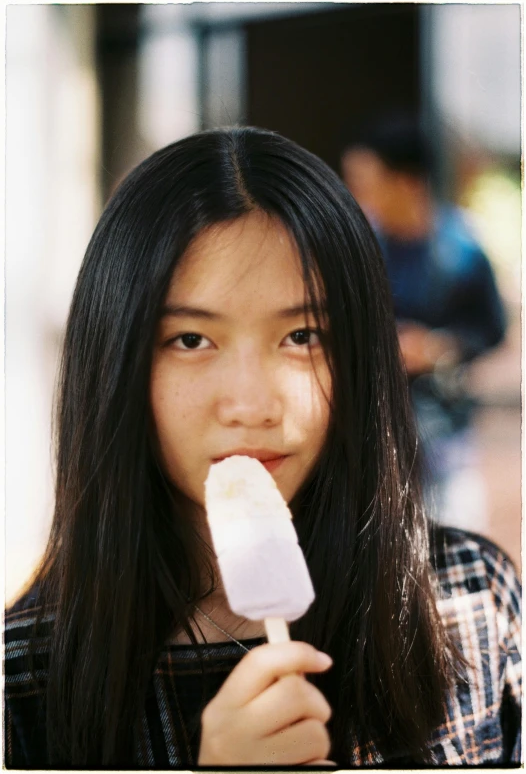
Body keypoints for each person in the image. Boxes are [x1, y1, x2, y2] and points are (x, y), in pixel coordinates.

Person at [4, 127, 520, 768]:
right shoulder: (23, 681)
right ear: (116, 364)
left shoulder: (473, 601)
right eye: (191, 340)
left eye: (302, 335)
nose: (252, 405)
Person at [340, 115, 507, 522]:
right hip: (373, 438)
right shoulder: (362, 245)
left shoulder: (461, 249)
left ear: (408, 182)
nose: (356, 195)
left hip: (445, 433)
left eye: (367, 183)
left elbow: (491, 329)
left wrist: (435, 348)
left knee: (455, 545)